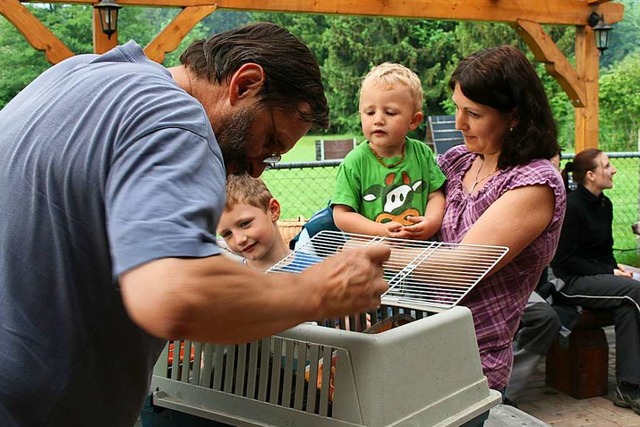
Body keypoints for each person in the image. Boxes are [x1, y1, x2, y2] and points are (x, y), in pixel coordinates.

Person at [0, 23, 390, 427]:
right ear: (245, 84)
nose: (258, 167)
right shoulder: (180, 121)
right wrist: (320, 290)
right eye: (269, 142)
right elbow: (174, 294)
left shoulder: (79, 72)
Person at [435, 45, 566, 394]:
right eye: (456, 109)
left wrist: (366, 252)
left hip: (471, 356)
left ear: (515, 116)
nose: (458, 123)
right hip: (413, 334)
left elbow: (459, 269)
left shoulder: (534, 182)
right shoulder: (457, 161)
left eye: (474, 114)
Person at [551, 148, 640, 415]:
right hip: (571, 284)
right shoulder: (573, 206)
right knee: (635, 290)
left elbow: (603, 252)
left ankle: (628, 386)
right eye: (607, 165)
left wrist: (616, 268)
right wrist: (611, 273)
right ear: (590, 175)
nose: (613, 169)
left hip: (598, 278)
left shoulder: (605, 204)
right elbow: (564, 262)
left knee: (628, 305)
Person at [332, 62, 446, 239]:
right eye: (370, 112)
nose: (378, 120)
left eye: (390, 112)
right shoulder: (354, 162)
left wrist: (431, 221)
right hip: (373, 253)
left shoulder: (422, 153)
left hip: (418, 252)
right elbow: (341, 215)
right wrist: (380, 231)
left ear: (414, 120)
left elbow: (435, 195)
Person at [504, 152, 565, 405]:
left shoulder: (563, 198)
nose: (552, 169)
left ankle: (506, 392)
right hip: (506, 282)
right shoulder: (520, 193)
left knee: (546, 318)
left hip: (537, 284)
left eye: (556, 164)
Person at [217, 173, 319, 272]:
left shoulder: (316, 272)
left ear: (273, 210)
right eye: (227, 234)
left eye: (245, 224)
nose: (239, 240)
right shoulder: (229, 282)